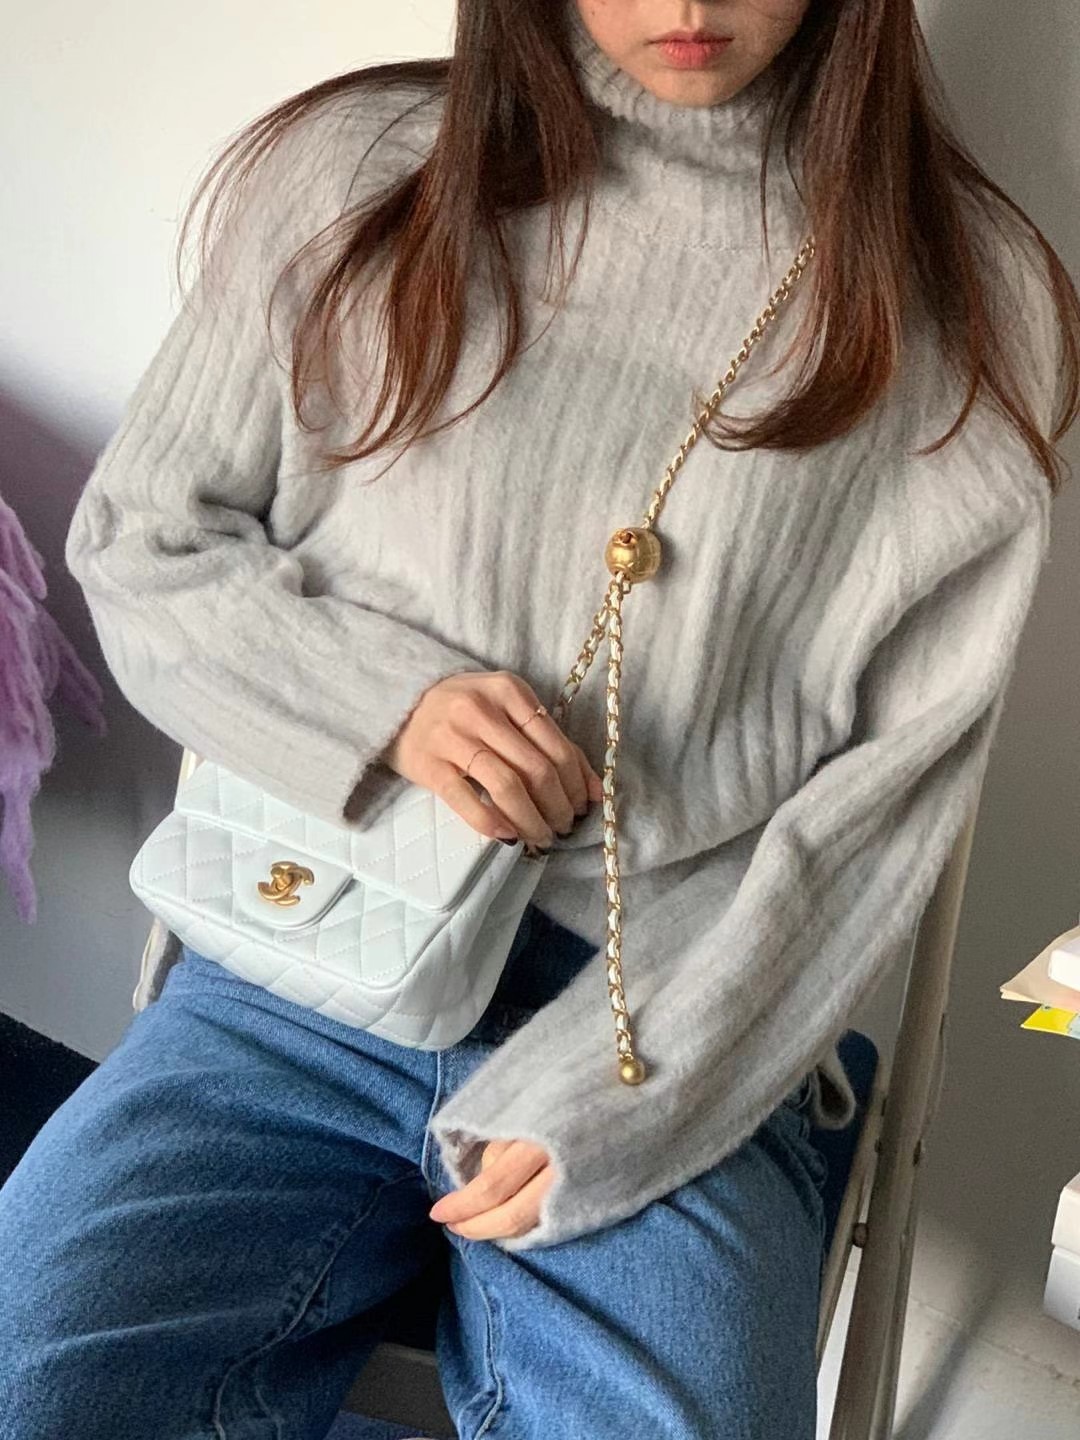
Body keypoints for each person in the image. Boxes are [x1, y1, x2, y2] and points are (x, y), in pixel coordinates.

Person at [1, 2, 1076, 1436]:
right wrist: (386, 705)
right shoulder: (360, 169)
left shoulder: (976, 298)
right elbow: (145, 542)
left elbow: (888, 801)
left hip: (672, 1020)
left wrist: (639, 1097)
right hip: (304, 959)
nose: (686, 7)